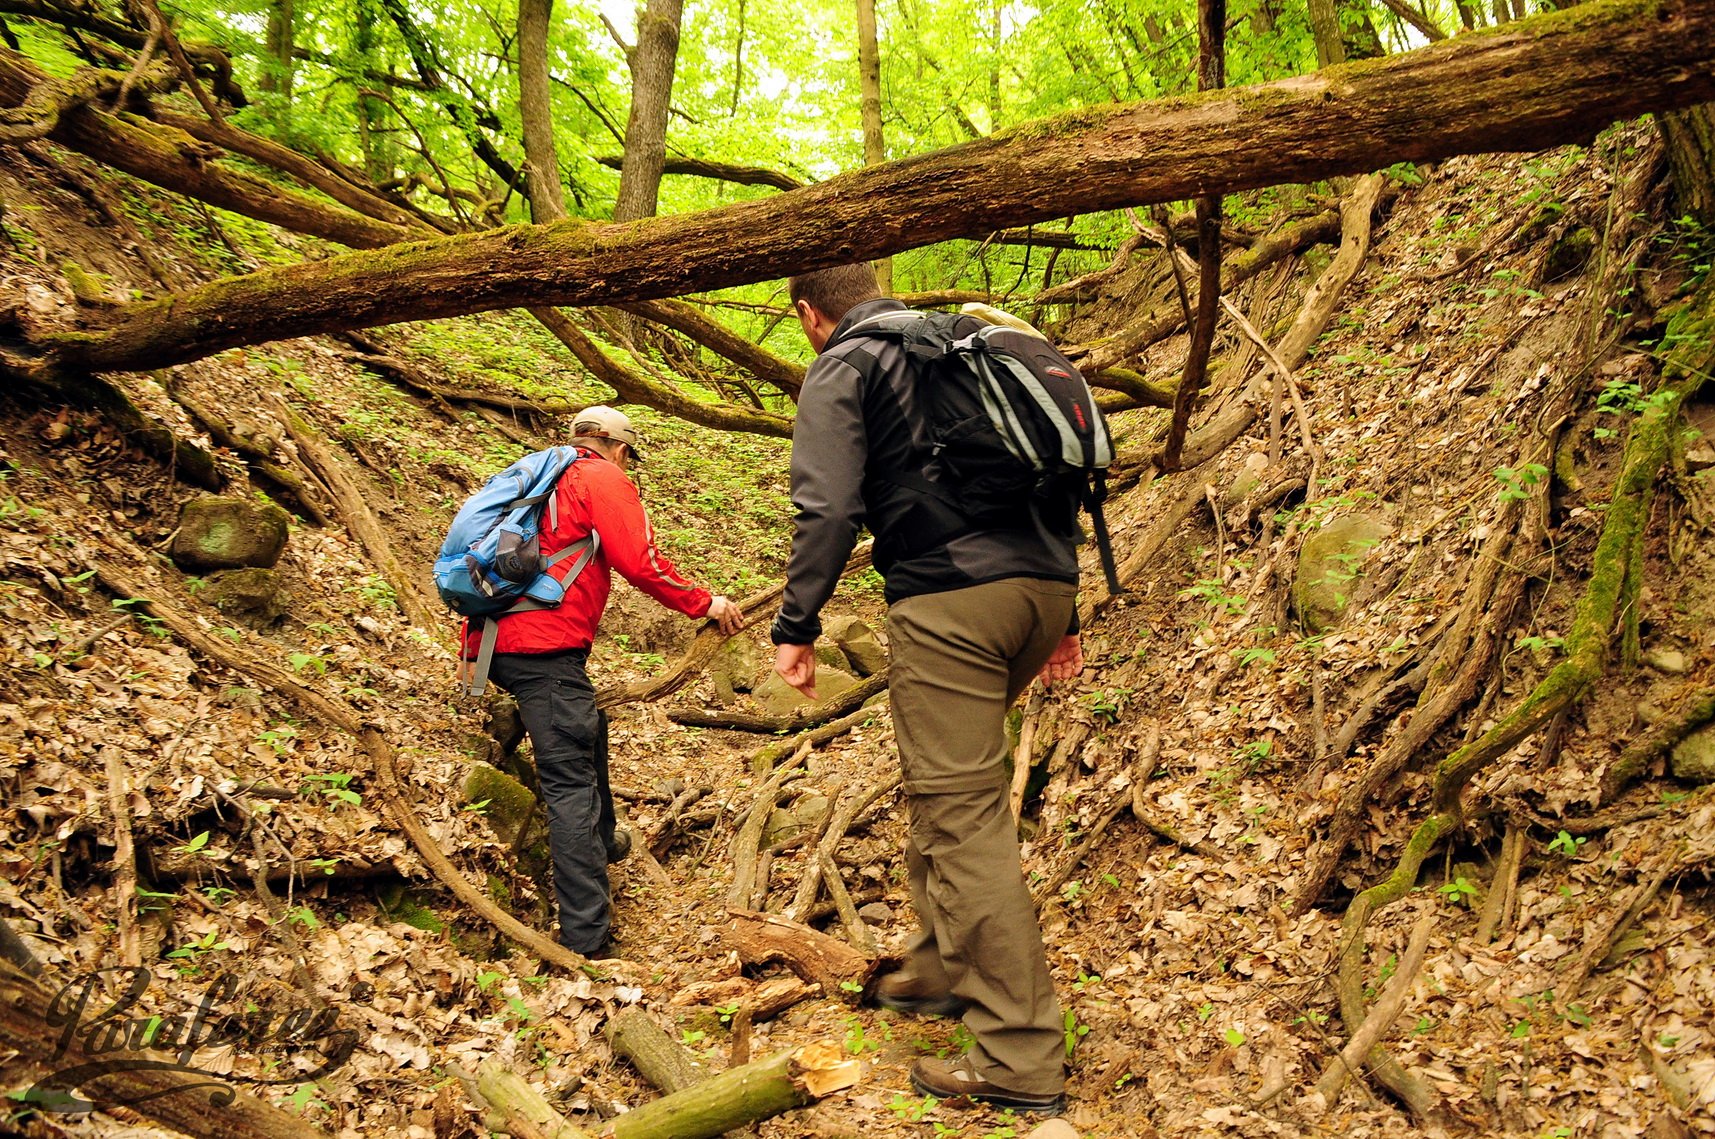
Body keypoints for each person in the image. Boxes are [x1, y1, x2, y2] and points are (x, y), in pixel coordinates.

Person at [770, 265, 1083, 1115]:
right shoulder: (960, 343)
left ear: (810, 314)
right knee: (953, 790)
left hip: (951, 601)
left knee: (963, 813)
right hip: (1041, 589)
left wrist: (796, 625)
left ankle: (1018, 1059)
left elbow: (827, 510)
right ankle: (941, 969)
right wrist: (1068, 613)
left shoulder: (846, 360)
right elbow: (1049, 477)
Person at [462, 406, 744, 957]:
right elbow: (639, 561)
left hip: (494, 641)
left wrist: (472, 651)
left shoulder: (537, 476)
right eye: (629, 456)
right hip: (544, 648)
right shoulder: (600, 477)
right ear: (618, 448)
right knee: (568, 786)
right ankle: (586, 939)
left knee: (590, 727)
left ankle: (605, 842)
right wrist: (705, 603)